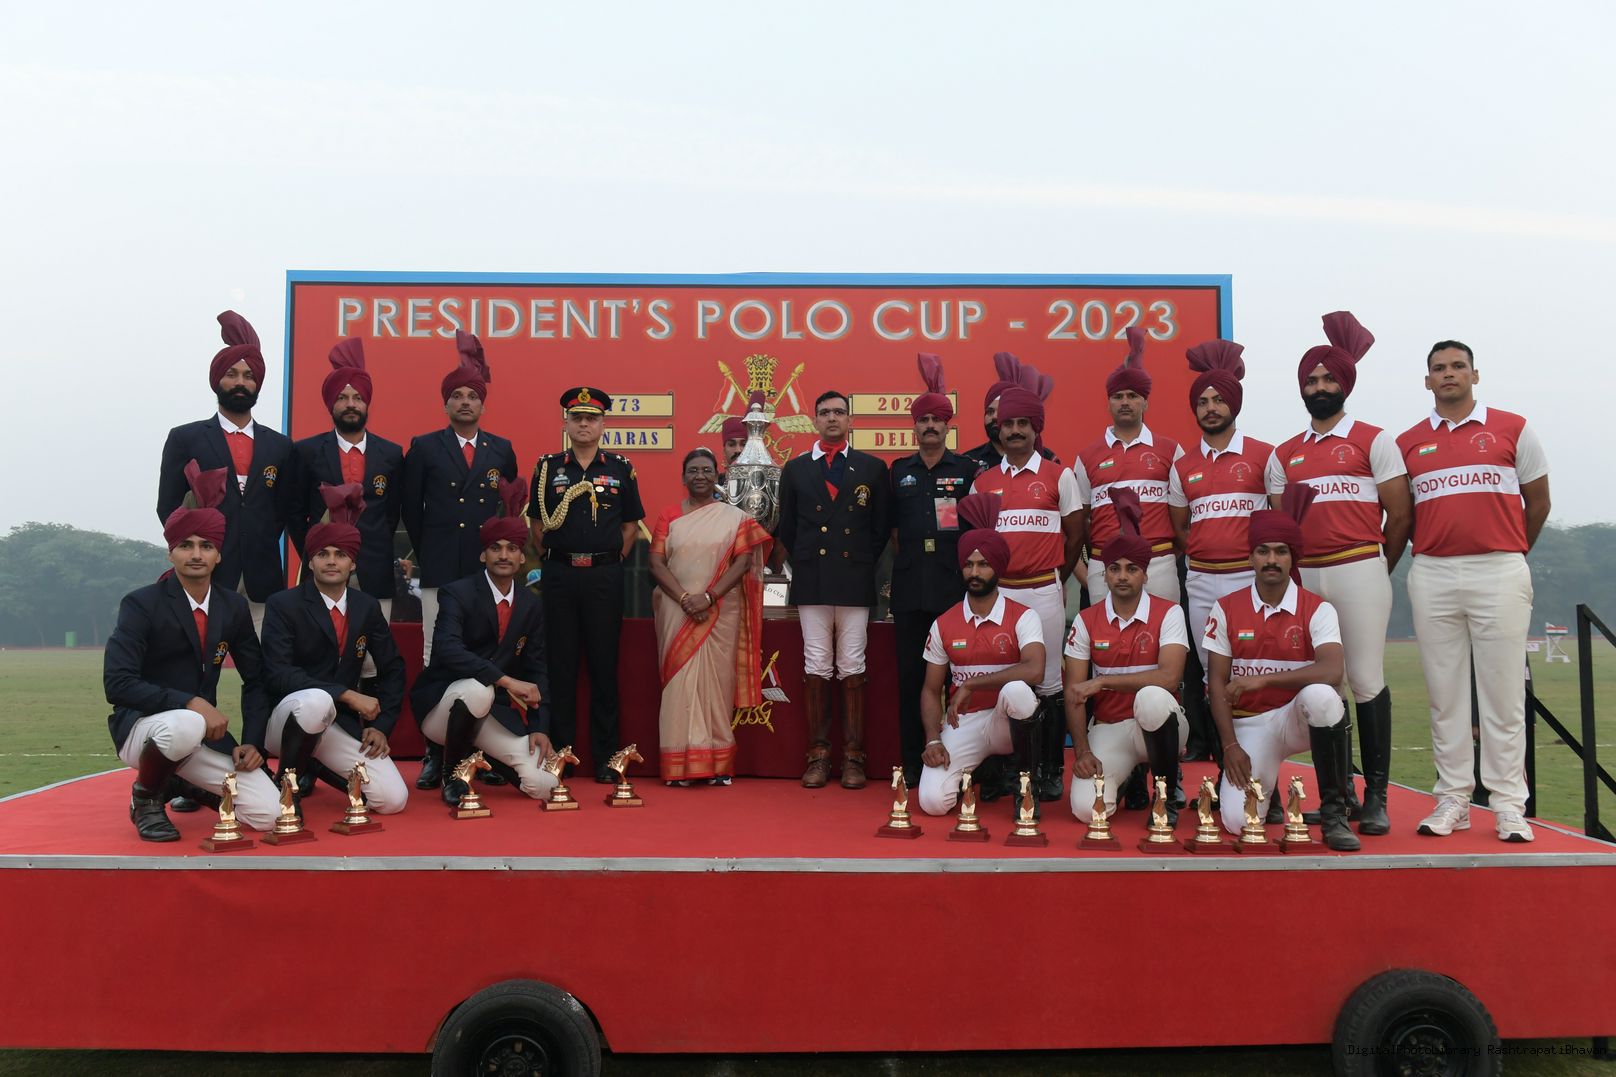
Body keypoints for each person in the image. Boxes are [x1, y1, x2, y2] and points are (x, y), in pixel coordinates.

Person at [1396, 340, 1550, 843]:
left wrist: (1510, 551)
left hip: (1499, 569)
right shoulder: (1408, 442)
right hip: (1433, 572)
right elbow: (1402, 513)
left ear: (1474, 375)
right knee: (1445, 696)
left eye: (1458, 366)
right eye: (1439, 368)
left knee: (1503, 696)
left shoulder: (1513, 428)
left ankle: (1508, 805)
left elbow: (1539, 502)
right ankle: (1453, 799)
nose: (1449, 374)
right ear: (1427, 381)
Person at [1265, 311, 1411, 835]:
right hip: (1307, 577)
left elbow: (1400, 516)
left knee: (1366, 679)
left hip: (1359, 567)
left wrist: (1376, 567)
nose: (1320, 387)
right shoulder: (1285, 454)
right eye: (1311, 380)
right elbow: (1283, 528)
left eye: (1328, 379)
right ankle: (1340, 793)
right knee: (1327, 681)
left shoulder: (1374, 440)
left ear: (1345, 384)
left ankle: (1377, 797)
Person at [105, 462, 278, 840]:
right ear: (171, 553)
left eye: (206, 546)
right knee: (186, 723)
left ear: (219, 555)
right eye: (186, 545)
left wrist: (253, 741)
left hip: (199, 735)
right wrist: (191, 703)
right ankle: (146, 797)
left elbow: (257, 679)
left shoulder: (233, 607)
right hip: (144, 729)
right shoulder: (140, 604)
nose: (196, 554)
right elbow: (117, 684)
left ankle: (176, 782)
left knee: (270, 814)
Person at [1203, 486, 1359, 850]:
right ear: (1251, 557)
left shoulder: (1317, 608)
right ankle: (1268, 790)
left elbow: (1332, 671)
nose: (1271, 560)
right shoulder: (1225, 608)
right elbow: (1217, 683)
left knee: (1323, 696)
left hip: (1296, 718)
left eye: (1280, 551)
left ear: (1293, 558)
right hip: (1250, 725)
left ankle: (1335, 814)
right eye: (1263, 551)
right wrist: (1229, 746)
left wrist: (1265, 680)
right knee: (1237, 821)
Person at [402, 332, 518, 789]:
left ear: (483, 405)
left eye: (472, 396)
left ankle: (483, 753)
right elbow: (412, 510)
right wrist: (430, 550)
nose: (465, 402)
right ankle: (436, 752)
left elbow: (508, 507)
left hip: (485, 570)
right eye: (457, 396)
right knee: (436, 654)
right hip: (441, 566)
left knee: (486, 654)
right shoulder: (425, 446)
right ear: (446, 403)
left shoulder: (501, 449)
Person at [260, 483, 409, 815]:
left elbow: (393, 667)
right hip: (286, 720)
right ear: (310, 561)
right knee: (317, 701)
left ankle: (313, 763)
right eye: (322, 554)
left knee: (392, 800)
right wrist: (346, 694)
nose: (331, 561)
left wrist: (382, 725)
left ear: (352, 564)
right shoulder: (283, 604)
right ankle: (287, 783)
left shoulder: (366, 606)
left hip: (337, 723)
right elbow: (278, 673)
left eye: (340, 555)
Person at [965, 387, 1082, 801]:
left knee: (1047, 683)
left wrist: (1055, 578)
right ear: (999, 428)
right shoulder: (983, 482)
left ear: (1036, 428)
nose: (1014, 431)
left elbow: (1075, 536)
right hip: (999, 596)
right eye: (1008, 424)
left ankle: (1048, 769)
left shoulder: (1059, 475)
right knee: (1002, 681)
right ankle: (1005, 770)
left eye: (1022, 424)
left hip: (1042, 592)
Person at [410, 482, 556, 807]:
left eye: (511, 549)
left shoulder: (531, 605)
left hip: (491, 712)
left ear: (522, 557)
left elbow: (538, 669)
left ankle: (483, 755)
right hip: (443, 706)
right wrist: (505, 681)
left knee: (544, 784)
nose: (503, 555)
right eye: (495, 548)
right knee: (478, 690)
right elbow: (447, 649)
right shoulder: (457, 593)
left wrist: (540, 727)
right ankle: (453, 773)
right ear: (483, 554)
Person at [775, 389, 892, 789]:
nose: (832, 418)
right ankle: (819, 755)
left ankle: (854, 757)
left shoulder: (872, 468)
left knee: (853, 664)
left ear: (850, 420)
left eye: (839, 412)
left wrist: (857, 560)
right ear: (814, 420)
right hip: (812, 579)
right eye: (824, 412)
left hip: (854, 578)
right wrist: (810, 560)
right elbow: (787, 527)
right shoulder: (795, 469)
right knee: (817, 664)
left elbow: (880, 529)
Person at [156, 310, 299, 634]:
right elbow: (168, 506)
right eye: (231, 374)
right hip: (206, 574)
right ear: (217, 380)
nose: (240, 383)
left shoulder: (280, 446)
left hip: (262, 577)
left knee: (262, 659)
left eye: (248, 376)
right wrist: (196, 551)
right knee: (202, 655)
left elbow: (282, 511)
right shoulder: (186, 438)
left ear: (257, 383)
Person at [529, 386, 645, 783]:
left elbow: (629, 527)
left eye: (591, 418)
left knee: (603, 667)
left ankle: (606, 758)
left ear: (602, 424)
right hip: (560, 576)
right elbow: (537, 526)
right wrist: (560, 558)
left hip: (603, 578)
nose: (583, 424)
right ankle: (561, 755)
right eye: (576, 418)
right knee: (559, 667)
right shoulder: (547, 468)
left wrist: (607, 561)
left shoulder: (620, 468)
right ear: (566, 423)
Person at [1168, 338, 1273, 763]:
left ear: (1234, 404)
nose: (1210, 408)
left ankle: (1260, 755)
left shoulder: (1265, 455)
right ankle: (1222, 757)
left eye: (1218, 400)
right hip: (1202, 581)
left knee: (1251, 668)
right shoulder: (1183, 466)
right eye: (1203, 401)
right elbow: (1181, 529)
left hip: (1249, 579)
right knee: (1213, 672)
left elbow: (1280, 519)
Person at [647, 448, 772, 785]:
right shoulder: (669, 515)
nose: (699, 475)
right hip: (676, 609)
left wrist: (709, 597)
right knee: (679, 684)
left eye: (706, 470)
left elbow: (743, 562)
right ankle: (678, 766)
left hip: (720, 610)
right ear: (683, 477)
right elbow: (656, 562)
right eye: (693, 470)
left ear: (717, 475)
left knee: (717, 684)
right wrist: (686, 599)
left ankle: (717, 763)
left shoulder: (734, 517)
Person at [1063, 489, 1188, 823]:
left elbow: (1169, 678)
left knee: (1152, 698)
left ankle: (1165, 793)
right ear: (1104, 574)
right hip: (1109, 727)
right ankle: (1128, 776)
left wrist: (1103, 682)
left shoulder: (1170, 612)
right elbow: (1074, 693)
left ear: (1145, 574)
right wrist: (1082, 751)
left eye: (1131, 569)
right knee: (1087, 811)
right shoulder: (1086, 620)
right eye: (1114, 569)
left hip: (1160, 725)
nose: (1122, 576)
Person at [888, 355, 979, 785]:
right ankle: (912, 761)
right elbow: (892, 531)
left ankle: (964, 761)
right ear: (914, 427)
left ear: (947, 426)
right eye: (922, 420)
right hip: (910, 590)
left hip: (952, 589)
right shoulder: (898, 471)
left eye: (936, 420)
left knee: (957, 678)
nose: (929, 426)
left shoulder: (966, 471)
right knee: (911, 679)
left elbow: (976, 528)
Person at [915, 530, 1043, 816]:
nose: (974, 572)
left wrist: (973, 684)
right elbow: (930, 690)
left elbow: (1035, 670)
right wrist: (933, 739)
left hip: (1008, 721)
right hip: (964, 722)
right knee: (932, 803)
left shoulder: (1024, 616)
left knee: (1017, 690)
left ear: (998, 567)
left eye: (983, 564)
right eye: (968, 565)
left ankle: (1026, 786)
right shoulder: (943, 623)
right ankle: (983, 771)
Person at [292, 338, 404, 621]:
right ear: (331, 404)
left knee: (374, 646)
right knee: (319, 642)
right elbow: (295, 513)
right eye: (342, 398)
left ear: (367, 403)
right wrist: (315, 549)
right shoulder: (306, 452)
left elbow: (391, 515)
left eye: (358, 398)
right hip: (322, 570)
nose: (351, 404)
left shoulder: (391, 454)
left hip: (374, 569)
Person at [1074, 327, 1183, 606]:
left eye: (1133, 396)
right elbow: (1081, 520)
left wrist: (1166, 554)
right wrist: (1094, 564)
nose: (1125, 402)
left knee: (1162, 631)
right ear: (1108, 403)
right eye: (1118, 396)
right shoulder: (1086, 456)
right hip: (1104, 564)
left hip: (1159, 563)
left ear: (1145, 402)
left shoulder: (1171, 450)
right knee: (1105, 634)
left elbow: (1183, 514)